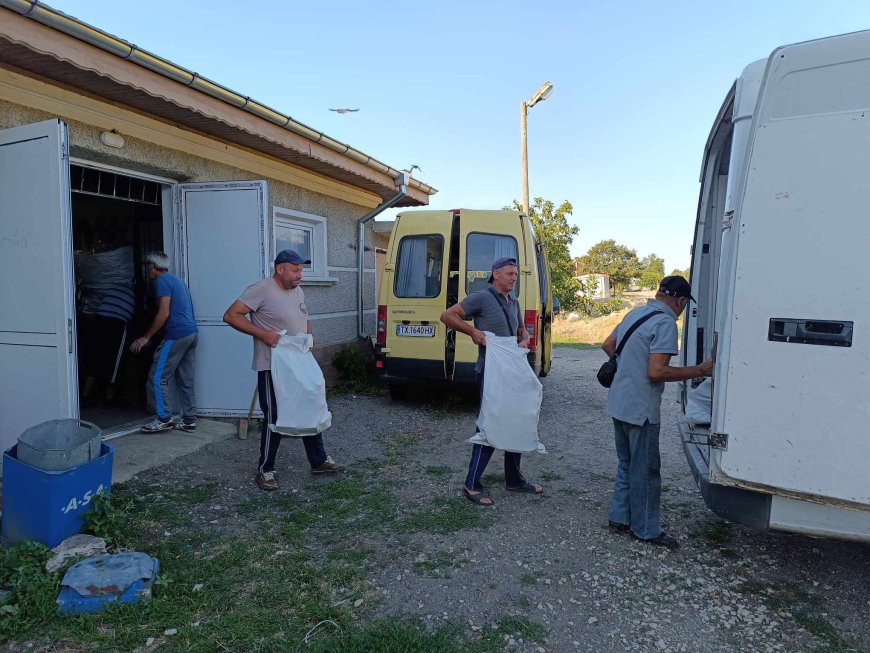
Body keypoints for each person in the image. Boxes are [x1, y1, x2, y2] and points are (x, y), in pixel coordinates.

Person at [601, 275, 713, 549]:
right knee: (647, 471)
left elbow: (608, 345)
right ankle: (646, 530)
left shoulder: (636, 312)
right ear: (681, 301)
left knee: (626, 463)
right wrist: (699, 371)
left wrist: (628, 366)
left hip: (619, 402)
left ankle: (619, 516)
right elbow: (656, 371)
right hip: (642, 410)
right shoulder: (665, 323)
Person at [223, 249, 344, 492]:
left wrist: (309, 334)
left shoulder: (297, 289)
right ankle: (265, 470)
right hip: (272, 365)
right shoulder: (261, 289)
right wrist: (264, 335)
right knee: (275, 416)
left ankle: (318, 461)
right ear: (280, 269)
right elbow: (231, 315)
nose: (300, 274)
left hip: (298, 361)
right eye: (296, 270)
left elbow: (303, 315)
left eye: (301, 270)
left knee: (309, 405)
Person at [440, 256, 542, 506]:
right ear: (495, 274)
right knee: (490, 424)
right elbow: (447, 316)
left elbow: (520, 329)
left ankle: (514, 480)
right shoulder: (482, 297)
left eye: (515, 274)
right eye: (509, 274)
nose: (514, 278)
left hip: (512, 370)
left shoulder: (513, 299)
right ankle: (471, 483)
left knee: (516, 420)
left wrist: (524, 335)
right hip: (491, 370)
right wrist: (474, 332)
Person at [130, 252, 198, 433]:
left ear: (152, 266)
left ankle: (164, 418)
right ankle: (189, 420)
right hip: (190, 333)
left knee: (157, 377)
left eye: (147, 266)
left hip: (176, 335)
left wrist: (146, 337)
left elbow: (164, 313)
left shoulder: (162, 282)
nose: (147, 269)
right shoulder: (176, 280)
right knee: (186, 378)